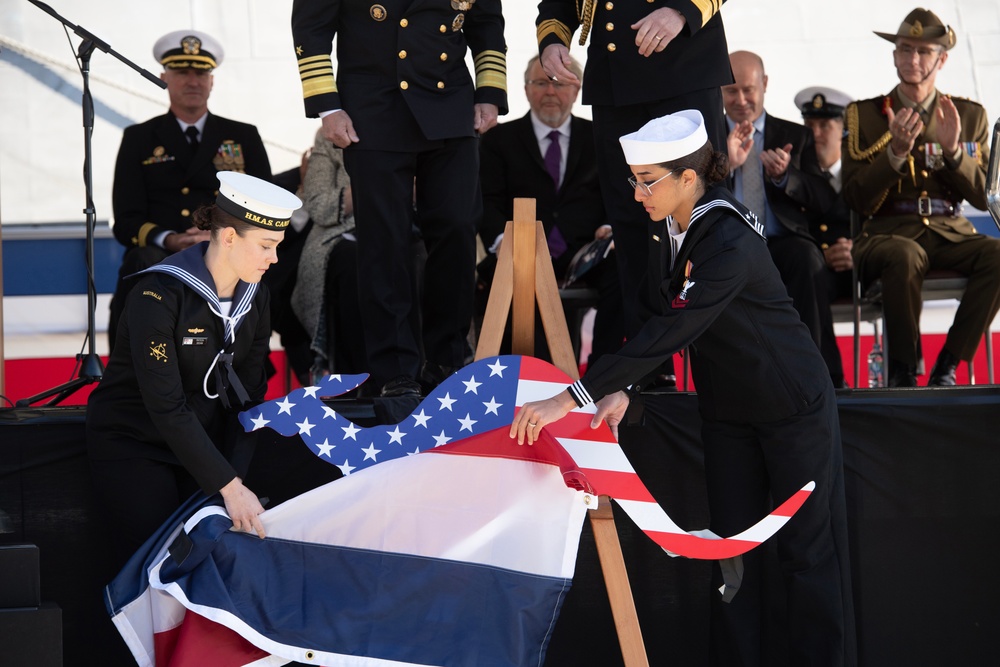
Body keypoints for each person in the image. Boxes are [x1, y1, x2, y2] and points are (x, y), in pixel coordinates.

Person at [510, 110, 855, 666]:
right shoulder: (671, 228)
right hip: (728, 414)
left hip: (792, 407)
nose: (638, 192)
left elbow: (675, 327)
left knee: (806, 557)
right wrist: (629, 392)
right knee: (730, 557)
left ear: (688, 179)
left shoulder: (728, 239)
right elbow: (664, 322)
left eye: (648, 180)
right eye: (635, 180)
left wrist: (569, 395)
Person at [291, 0, 508, 397]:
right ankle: (395, 372)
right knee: (384, 240)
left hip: (450, 101)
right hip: (373, 107)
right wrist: (328, 105)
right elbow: (311, 28)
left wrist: (490, 92)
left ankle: (447, 360)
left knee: (458, 226)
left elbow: (487, 24)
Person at [87, 172, 301, 568]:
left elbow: (248, 399)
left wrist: (232, 480)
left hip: (202, 447)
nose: (274, 259)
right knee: (153, 563)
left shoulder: (257, 295)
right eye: (267, 246)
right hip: (136, 443)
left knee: (212, 555)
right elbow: (165, 406)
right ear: (230, 237)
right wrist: (229, 487)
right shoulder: (158, 293)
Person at [536, 0, 733, 387]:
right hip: (615, 83)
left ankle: (727, 360)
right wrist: (553, 39)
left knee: (704, 219)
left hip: (683, 69)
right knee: (633, 225)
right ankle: (649, 370)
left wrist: (682, 10)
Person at [841, 8, 1000, 388]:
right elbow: (856, 198)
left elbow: (982, 197)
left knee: (998, 254)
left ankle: (947, 365)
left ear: (941, 59)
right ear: (894, 55)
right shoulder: (864, 115)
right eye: (904, 49)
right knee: (905, 254)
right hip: (885, 233)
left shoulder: (967, 114)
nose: (913, 59)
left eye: (923, 51)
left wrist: (954, 153)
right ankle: (903, 370)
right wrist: (894, 153)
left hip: (949, 231)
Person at [109, 30, 272, 351]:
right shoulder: (139, 138)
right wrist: (170, 238)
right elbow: (126, 220)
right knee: (141, 261)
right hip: (162, 251)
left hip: (226, 248)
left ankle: (245, 373)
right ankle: (132, 368)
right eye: (182, 72)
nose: (193, 81)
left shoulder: (242, 135)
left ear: (212, 81)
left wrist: (219, 238)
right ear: (164, 78)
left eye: (201, 73)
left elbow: (263, 208)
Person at [477, 55, 623, 367]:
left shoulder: (602, 139)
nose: (550, 91)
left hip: (583, 252)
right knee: (494, 281)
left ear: (577, 88)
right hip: (518, 252)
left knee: (626, 269)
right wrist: (504, 242)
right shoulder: (497, 140)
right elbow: (486, 201)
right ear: (526, 89)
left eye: (559, 83)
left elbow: (620, 195)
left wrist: (610, 227)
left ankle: (603, 374)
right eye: (541, 82)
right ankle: (538, 384)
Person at [723, 51, 845, 387]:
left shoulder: (795, 135)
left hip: (781, 243)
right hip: (726, 244)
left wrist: (785, 177)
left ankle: (818, 377)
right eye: (731, 91)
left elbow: (825, 198)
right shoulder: (707, 136)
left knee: (808, 260)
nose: (742, 100)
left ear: (764, 85)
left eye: (749, 89)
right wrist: (727, 167)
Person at [291, 130, 368, 378]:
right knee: (351, 262)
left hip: (411, 229)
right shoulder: (331, 132)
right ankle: (353, 381)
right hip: (342, 236)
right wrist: (375, 180)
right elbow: (320, 206)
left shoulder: (423, 122)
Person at [795, 86, 857, 308]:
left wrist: (859, 251)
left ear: (843, 130)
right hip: (814, 274)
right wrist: (822, 255)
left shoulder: (861, 175)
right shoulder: (794, 177)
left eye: (824, 126)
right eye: (809, 126)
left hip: (858, 272)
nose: (815, 134)